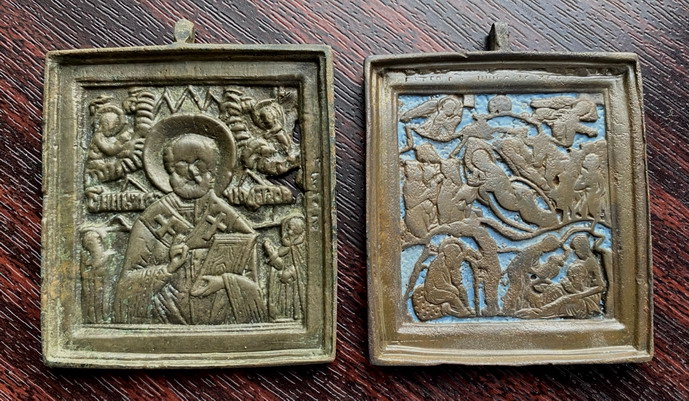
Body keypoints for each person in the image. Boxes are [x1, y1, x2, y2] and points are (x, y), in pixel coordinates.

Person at [114, 131, 266, 325]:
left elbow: (254, 288)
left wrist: (224, 282)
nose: (192, 173)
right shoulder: (151, 220)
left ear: (213, 173)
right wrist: (168, 269)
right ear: (169, 171)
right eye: (182, 165)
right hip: (164, 325)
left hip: (221, 327)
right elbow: (126, 287)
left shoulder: (231, 221)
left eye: (200, 165)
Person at [263, 215, 306, 321]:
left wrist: (291, 272)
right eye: (286, 229)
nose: (287, 232)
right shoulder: (287, 246)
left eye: (289, 229)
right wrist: (271, 252)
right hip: (284, 279)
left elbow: (302, 268)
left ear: (297, 231)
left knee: (294, 294)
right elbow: (280, 263)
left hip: (293, 279)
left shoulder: (298, 247)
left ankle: (297, 313)